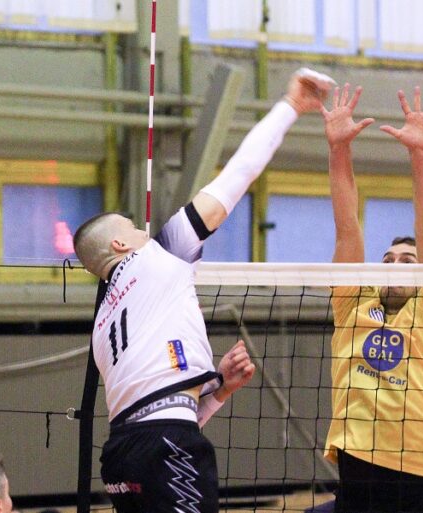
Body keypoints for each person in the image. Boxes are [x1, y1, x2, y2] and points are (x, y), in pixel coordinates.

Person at [72, 68, 330, 513]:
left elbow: (159, 409)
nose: (144, 231)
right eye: (133, 228)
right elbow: (237, 176)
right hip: (164, 445)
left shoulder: (103, 328)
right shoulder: (157, 257)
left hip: (123, 455)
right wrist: (290, 106)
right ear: (119, 245)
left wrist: (219, 389)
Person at [321, 83, 423, 512]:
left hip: (414, 487)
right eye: (388, 259)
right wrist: (339, 148)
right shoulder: (354, 303)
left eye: (407, 261)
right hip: (355, 483)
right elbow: (346, 226)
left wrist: (420, 154)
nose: (395, 265)